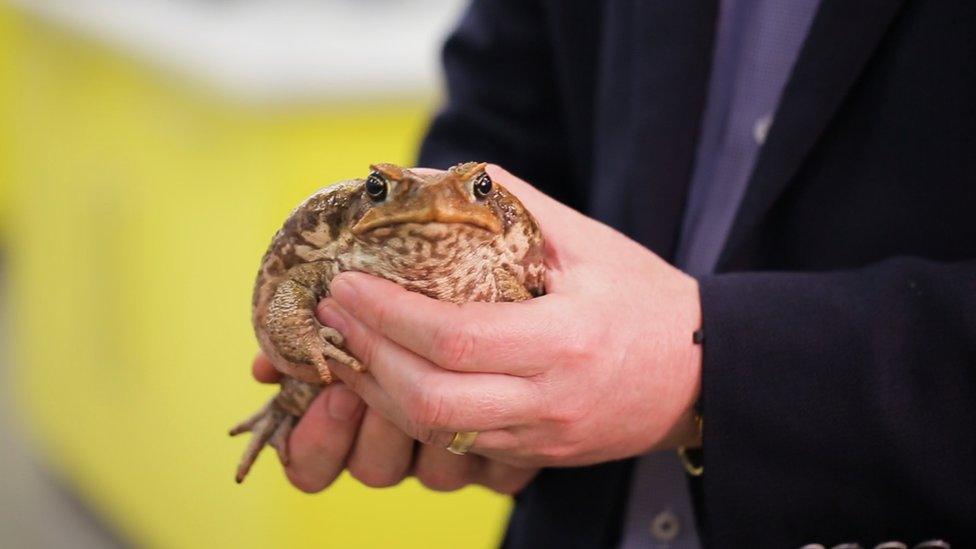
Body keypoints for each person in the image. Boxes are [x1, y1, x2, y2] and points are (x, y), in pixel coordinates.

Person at [251, 1, 976, 547]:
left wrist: (707, 367)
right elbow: (498, 116)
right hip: (570, 512)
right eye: (383, 193)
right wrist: (455, 380)